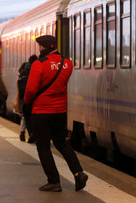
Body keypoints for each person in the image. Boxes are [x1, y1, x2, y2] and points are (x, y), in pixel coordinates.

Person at [24, 35, 88, 192]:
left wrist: (26, 102)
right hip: (60, 111)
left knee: (43, 147)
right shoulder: (67, 63)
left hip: (42, 112)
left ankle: (54, 181)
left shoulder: (39, 64)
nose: (39, 49)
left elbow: (31, 89)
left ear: (44, 47)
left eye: (40, 46)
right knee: (61, 142)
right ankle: (78, 173)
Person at [16, 54, 37, 142]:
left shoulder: (23, 70)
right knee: (33, 116)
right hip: (34, 97)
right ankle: (32, 133)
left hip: (23, 97)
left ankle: (22, 132)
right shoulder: (36, 69)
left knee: (25, 116)